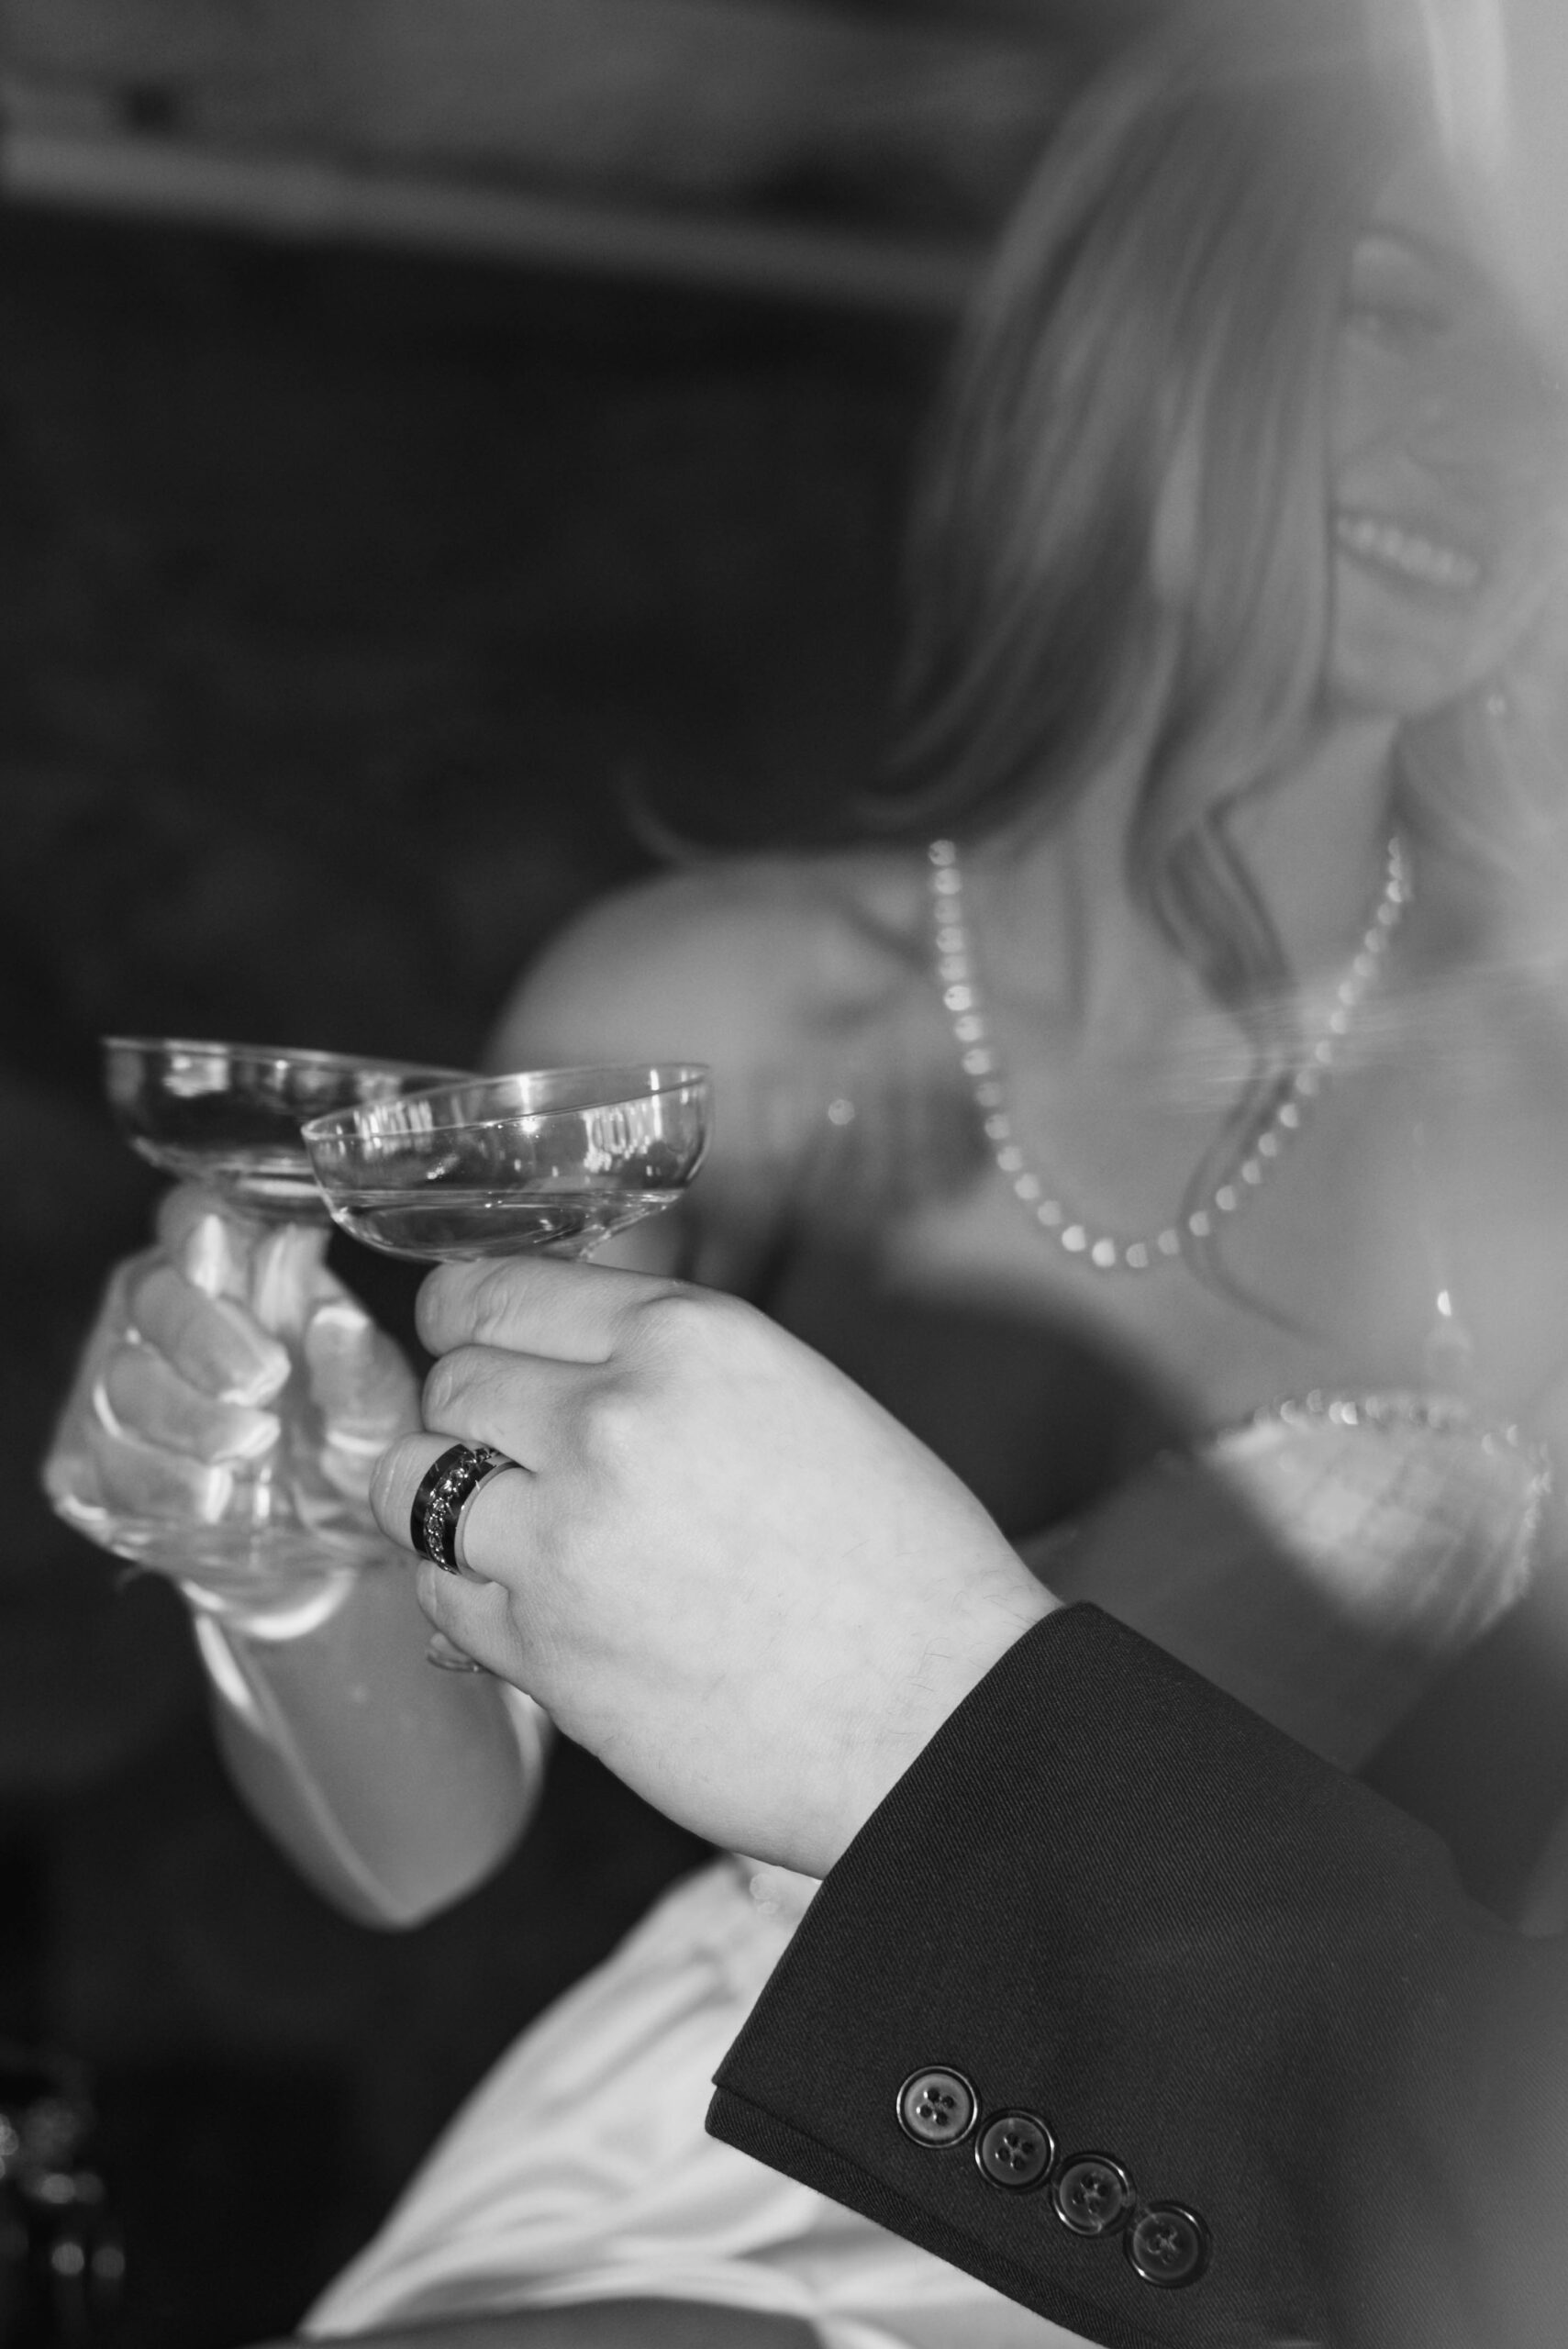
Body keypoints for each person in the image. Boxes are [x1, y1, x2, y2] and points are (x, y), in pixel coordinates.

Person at [40, 0, 1568, 2339]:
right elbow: (432, 1845)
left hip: (1260, 2206)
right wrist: (283, 1553)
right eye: (1384, 311)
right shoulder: (699, 1013)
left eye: (1549, 355)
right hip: (698, 2162)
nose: (1479, 433)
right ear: (1140, 348)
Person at [369, 1246, 1568, 2349]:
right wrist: (296, 1585)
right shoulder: (722, 1086)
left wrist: (928, 1713)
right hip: (679, 2101)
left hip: (1096, 2176)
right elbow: (418, 1850)